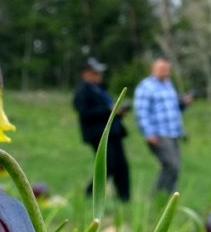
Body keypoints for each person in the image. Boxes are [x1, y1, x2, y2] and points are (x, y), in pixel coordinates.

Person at [73, 57, 131, 202]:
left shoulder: (100, 89)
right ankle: (90, 194)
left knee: (121, 166)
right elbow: (85, 113)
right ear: (86, 73)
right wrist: (110, 110)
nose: (99, 75)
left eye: (99, 73)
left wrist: (118, 112)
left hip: (114, 133)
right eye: (95, 72)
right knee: (107, 165)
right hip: (99, 134)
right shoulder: (83, 90)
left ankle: (124, 199)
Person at [134, 58, 193, 194]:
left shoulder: (168, 85)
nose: (166, 73)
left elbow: (173, 109)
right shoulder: (146, 87)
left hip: (173, 132)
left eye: (167, 70)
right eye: (162, 70)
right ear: (153, 70)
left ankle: (169, 196)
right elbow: (141, 112)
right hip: (159, 133)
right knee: (170, 165)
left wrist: (184, 104)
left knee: (176, 167)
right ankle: (157, 196)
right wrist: (148, 133)